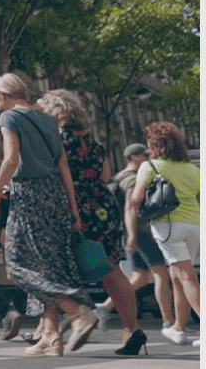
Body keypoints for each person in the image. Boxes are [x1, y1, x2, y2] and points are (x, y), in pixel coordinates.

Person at [0, 72, 98, 355]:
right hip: (56, 195)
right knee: (47, 265)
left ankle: (77, 310)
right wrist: (72, 206)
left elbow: (11, 158)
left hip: (29, 194)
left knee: (17, 263)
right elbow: (63, 165)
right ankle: (52, 337)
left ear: (2, 95)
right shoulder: (48, 119)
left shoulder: (9, 118)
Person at [36, 88, 147, 354]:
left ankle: (58, 329)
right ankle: (132, 329)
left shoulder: (54, 139)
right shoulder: (92, 142)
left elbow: (54, 175)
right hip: (102, 206)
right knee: (111, 269)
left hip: (72, 207)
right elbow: (105, 174)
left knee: (53, 269)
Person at [126, 121, 201, 348]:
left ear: (155, 144)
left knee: (186, 276)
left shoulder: (151, 166)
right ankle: (178, 327)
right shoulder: (192, 169)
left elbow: (137, 198)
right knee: (177, 276)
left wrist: (132, 206)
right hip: (194, 225)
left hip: (168, 227)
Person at [111, 144, 177, 341]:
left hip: (130, 232)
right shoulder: (132, 179)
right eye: (144, 155)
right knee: (161, 275)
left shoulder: (117, 178)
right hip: (141, 231)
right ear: (133, 157)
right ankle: (168, 321)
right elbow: (131, 208)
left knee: (139, 277)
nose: (148, 158)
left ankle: (104, 307)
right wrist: (132, 234)